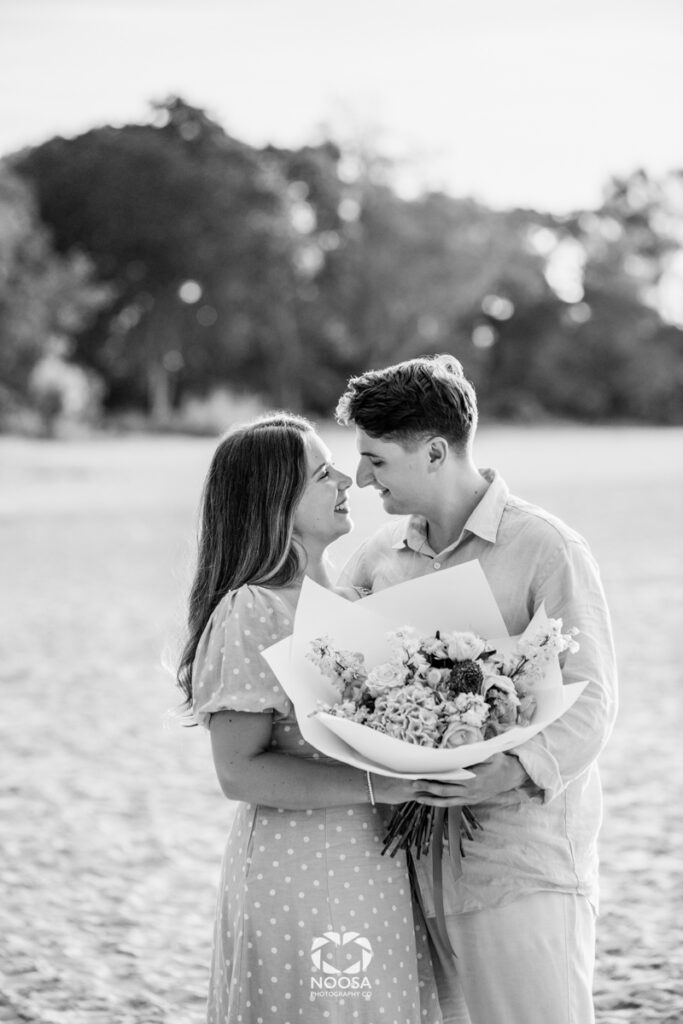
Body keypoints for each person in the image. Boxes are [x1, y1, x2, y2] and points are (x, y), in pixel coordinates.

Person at [336, 356, 618, 1024]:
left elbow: (592, 700)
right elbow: (331, 677)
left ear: (434, 452)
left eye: (374, 460)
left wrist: (508, 772)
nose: (359, 478)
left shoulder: (545, 547)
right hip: (405, 865)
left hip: (518, 862)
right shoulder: (377, 557)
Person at [177, 413, 446, 1024]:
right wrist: (380, 785)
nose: (348, 479)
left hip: (377, 860)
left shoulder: (354, 601)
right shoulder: (254, 607)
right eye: (323, 474)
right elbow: (239, 773)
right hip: (298, 867)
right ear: (276, 502)